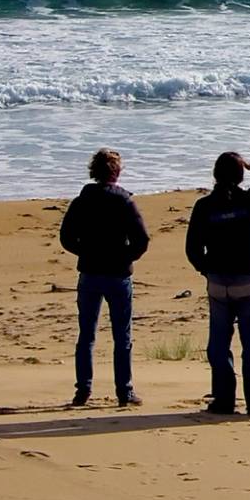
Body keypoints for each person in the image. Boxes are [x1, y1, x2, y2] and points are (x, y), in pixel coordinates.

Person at [185, 152, 250, 416]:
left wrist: (206, 270)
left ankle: (223, 399)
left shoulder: (205, 206)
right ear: (240, 175)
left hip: (219, 281)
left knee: (219, 344)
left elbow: (193, 248)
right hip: (247, 280)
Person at [59, 148, 150, 408]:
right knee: (122, 335)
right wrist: (125, 257)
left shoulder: (82, 201)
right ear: (116, 172)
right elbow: (142, 240)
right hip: (118, 274)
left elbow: (66, 238)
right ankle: (124, 390)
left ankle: (83, 390)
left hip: (90, 271)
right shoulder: (124, 201)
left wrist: (86, 251)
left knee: (86, 333)